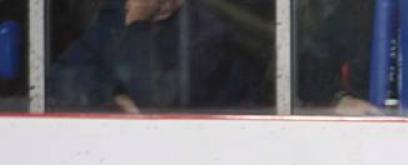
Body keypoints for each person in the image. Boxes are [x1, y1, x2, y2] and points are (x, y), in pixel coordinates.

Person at [47, 0, 271, 113]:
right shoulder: (115, 19)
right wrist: (109, 98)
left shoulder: (207, 34)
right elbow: (58, 82)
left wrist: (138, 23)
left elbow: (154, 103)